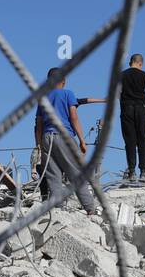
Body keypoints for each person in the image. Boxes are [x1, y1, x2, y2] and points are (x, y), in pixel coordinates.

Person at [33, 67, 97, 214]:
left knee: (53, 176)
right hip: (63, 135)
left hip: (46, 138)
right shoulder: (68, 94)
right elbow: (74, 117)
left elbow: (39, 124)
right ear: (64, 80)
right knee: (76, 172)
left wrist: (38, 144)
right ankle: (90, 208)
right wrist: (81, 139)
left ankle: (58, 210)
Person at [119, 53, 145, 180]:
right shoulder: (144, 75)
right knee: (143, 140)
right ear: (140, 63)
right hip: (141, 108)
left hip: (127, 108)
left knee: (130, 141)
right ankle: (144, 171)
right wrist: (140, 91)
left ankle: (131, 171)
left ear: (130, 62)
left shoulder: (122, 75)